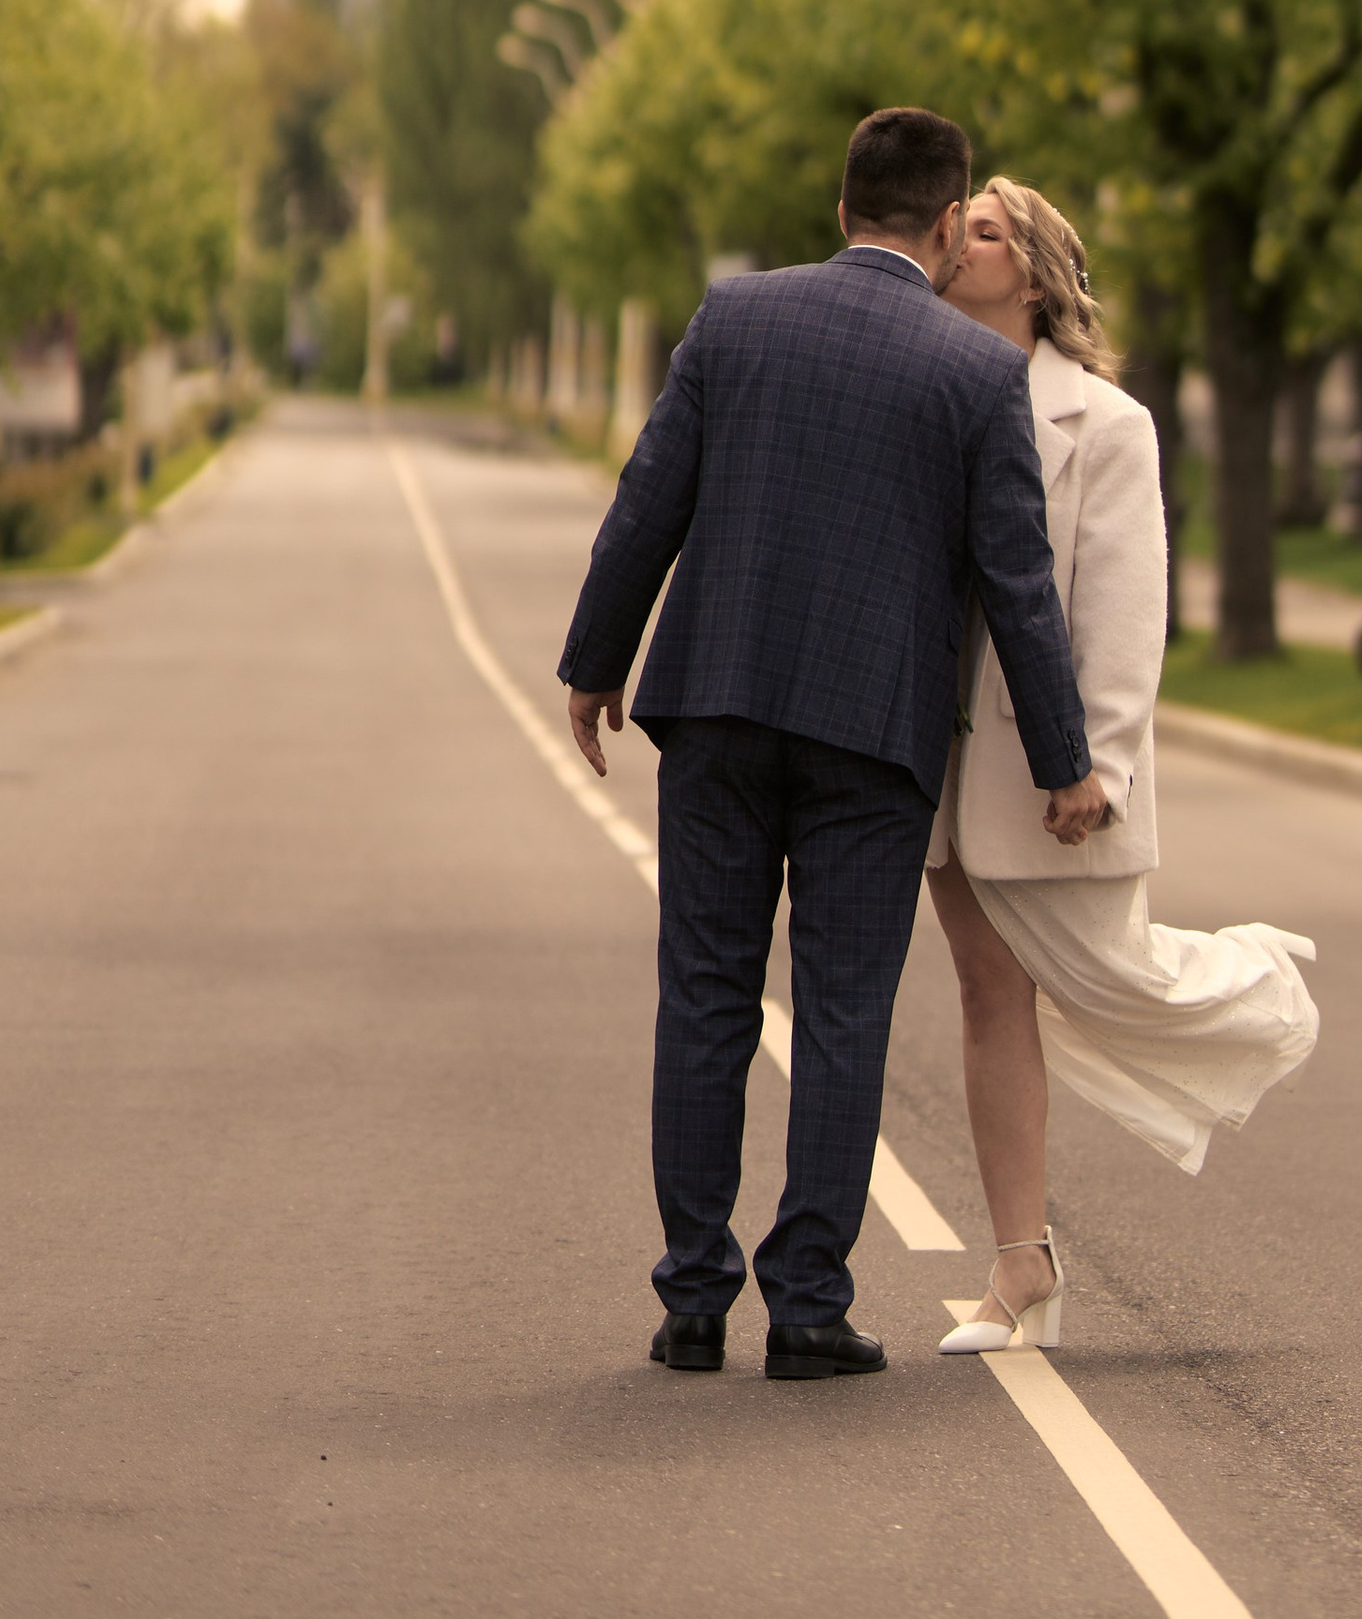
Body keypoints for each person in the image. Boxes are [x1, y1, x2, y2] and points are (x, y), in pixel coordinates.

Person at [557, 108, 1108, 1383]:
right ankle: (808, 1304)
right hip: (871, 737)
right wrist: (1064, 760)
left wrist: (595, 662)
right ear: (945, 223)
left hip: (717, 709)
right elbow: (1016, 584)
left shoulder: (735, 318)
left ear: (840, 206)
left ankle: (693, 1299)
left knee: (705, 993)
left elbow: (650, 498)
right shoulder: (975, 376)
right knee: (843, 1010)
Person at [925, 178, 1318, 1354]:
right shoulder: (929, 392)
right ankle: (1021, 1265)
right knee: (988, 995)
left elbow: (1125, 610)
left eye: (985, 232)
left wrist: (1096, 764)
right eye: (956, 226)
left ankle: (1255, 984)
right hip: (938, 759)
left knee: (1115, 982)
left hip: (1050, 769)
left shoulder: (1107, 424)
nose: (959, 242)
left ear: (1035, 274)